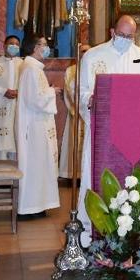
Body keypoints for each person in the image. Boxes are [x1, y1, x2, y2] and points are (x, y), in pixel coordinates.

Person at [77, 15, 140, 245]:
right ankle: (92, 233)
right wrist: (91, 99)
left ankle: (131, 233)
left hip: (133, 133)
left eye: (130, 36)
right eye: (121, 35)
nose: (125, 40)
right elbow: (81, 92)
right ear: (112, 32)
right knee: (98, 178)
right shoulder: (93, 56)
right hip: (102, 131)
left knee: (130, 181)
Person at [16, 36, 61, 217]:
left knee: (40, 164)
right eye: (44, 45)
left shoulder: (33, 68)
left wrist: (48, 92)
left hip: (38, 123)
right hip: (34, 126)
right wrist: (53, 91)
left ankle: (39, 205)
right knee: (35, 164)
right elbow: (35, 100)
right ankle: (30, 208)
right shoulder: (31, 69)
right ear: (35, 47)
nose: (47, 48)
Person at [59, 44, 90, 180]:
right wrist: (76, 109)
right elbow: (68, 91)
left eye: (88, 51)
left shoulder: (94, 68)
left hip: (90, 115)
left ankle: (86, 173)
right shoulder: (71, 70)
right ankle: (73, 174)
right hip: (76, 115)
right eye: (83, 51)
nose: (86, 53)